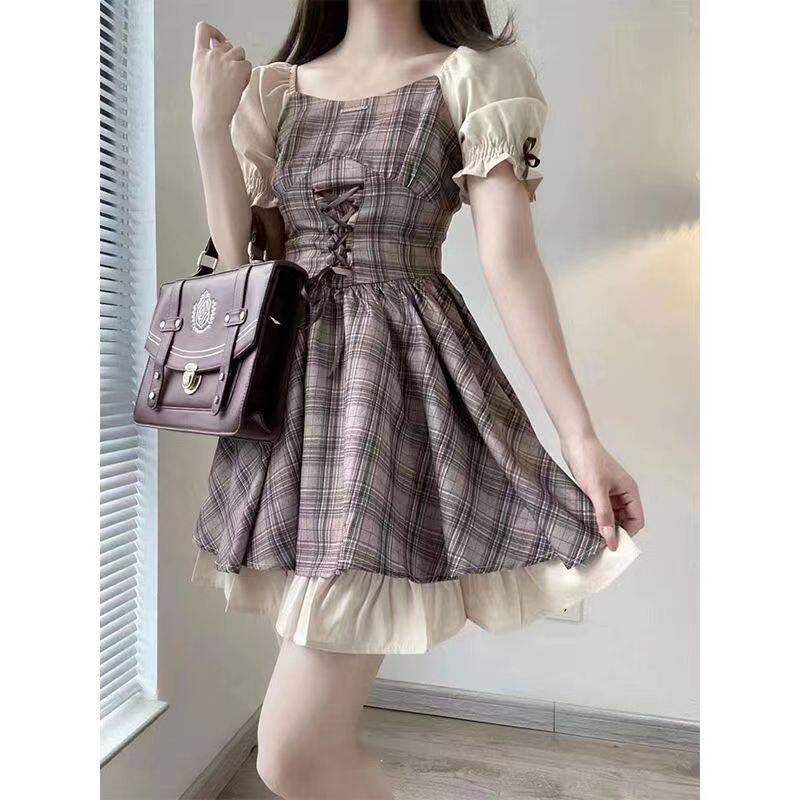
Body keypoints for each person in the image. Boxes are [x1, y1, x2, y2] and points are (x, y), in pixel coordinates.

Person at [189, 1, 645, 797]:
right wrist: (208, 128)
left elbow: (511, 261)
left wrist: (579, 437)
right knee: (307, 746)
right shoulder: (274, 91)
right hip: (294, 416)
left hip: (393, 402)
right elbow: (242, 270)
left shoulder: (473, 76)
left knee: (289, 752)